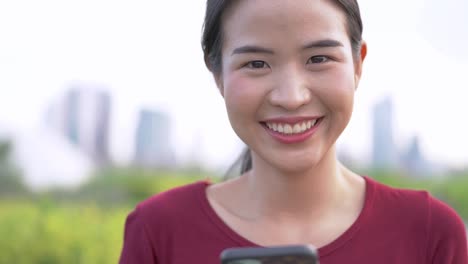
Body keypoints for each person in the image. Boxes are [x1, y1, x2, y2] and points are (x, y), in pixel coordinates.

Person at [119, 0, 468, 263]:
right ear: (218, 76)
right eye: (256, 64)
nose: (291, 97)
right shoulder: (158, 231)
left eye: (319, 59)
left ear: (358, 63)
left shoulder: (430, 233)